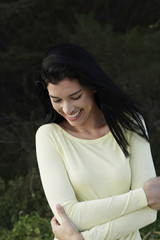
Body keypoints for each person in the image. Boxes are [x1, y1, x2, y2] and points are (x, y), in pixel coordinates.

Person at [35, 43, 160, 240]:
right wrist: (143, 197)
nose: (67, 109)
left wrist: (82, 238)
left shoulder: (130, 124)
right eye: (56, 100)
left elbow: (149, 212)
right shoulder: (49, 136)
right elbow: (70, 216)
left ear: (92, 86)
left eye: (75, 97)